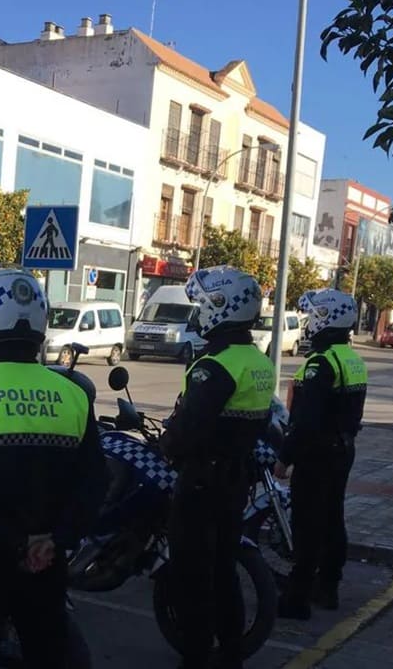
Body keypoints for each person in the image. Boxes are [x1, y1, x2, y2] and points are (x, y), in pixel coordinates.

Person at [0, 263, 107, 669]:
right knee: (48, 651)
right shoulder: (73, 394)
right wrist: (55, 541)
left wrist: (11, 543)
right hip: (47, 562)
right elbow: (93, 483)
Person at [159, 265, 275, 669]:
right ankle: (231, 653)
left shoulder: (217, 365)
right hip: (234, 478)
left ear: (220, 306)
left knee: (192, 574)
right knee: (224, 571)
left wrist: (166, 445)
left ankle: (195, 656)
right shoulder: (257, 361)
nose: (197, 313)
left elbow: (189, 428)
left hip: (201, 482)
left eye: (202, 305)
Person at [274, 289, 367, 620]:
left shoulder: (321, 362)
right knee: (332, 519)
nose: (308, 322)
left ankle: (296, 599)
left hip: (317, 454)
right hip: (343, 449)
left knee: (307, 526)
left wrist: (284, 458)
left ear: (326, 319)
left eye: (313, 315)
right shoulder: (351, 359)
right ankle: (328, 587)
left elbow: (304, 421)